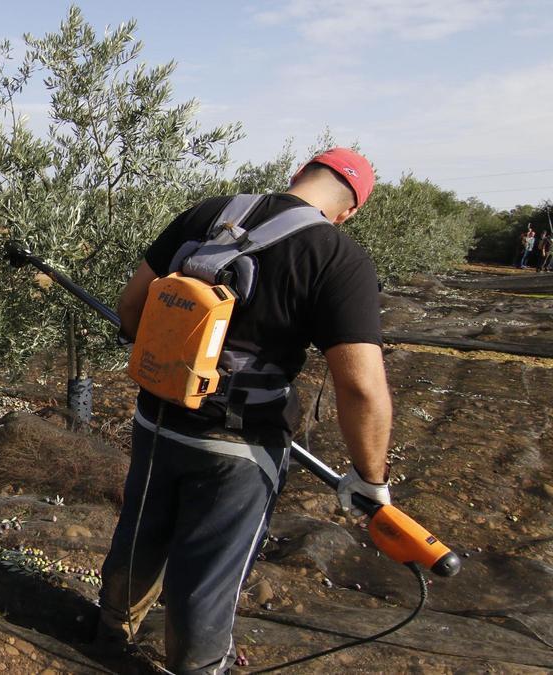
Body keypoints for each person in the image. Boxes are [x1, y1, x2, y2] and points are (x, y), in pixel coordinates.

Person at [96, 148, 393, 673]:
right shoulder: (336, 256)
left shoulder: (207, 214)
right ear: (350, 210)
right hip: (240, 447)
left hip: (157, 419)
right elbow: (361, 388)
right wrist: (371, 479)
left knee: (140, 533)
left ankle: (110, 631)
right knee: (208, 576)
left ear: (298, 174)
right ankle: (199, 666)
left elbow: (130, 307)